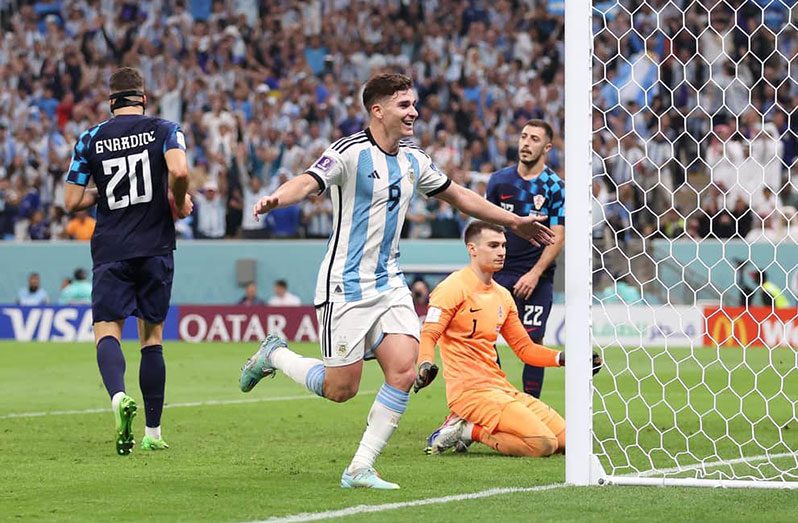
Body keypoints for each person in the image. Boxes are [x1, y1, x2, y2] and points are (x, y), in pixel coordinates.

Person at [238, 73, 554, 489]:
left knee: (403, 372)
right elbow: (307, 180)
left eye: (414, 104)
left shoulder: (414, 160)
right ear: (378, 110)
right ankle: (274, 355)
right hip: (345, 287)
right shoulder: (348, 153)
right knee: (340, 389)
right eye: (404, 105)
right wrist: (278, 197)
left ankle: (360, 467)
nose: (414, 112)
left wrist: (514, 221)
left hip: (390, 283)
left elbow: (459, 195)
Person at [63, 67, 192, 456]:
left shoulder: (90, 138)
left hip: (111, 249)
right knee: (152, 338)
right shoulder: (165, 129)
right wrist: (180, 198)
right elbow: (180, 170)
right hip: (155, 247)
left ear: (110, 101)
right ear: (143, 99)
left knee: (107, 330)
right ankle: (153, 432)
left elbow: (71, 203)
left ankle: (118, 396)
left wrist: (103, 192)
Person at [415, 221, 601, 456]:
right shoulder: (453, 287)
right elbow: (430, 333)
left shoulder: (502, 295)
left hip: (500, 388)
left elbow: (525, 349)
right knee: (544, 444)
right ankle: (469, 431)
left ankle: (471, 426)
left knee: (572, 441)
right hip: (469, 393)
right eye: (493, 245)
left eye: (503, 245)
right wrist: (424, 363)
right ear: (472, 249)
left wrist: (567, 358)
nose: (501, 251)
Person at [485, 119, 565, 399]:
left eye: (534, 139)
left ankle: (532, 407)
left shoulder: (555, 187)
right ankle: (495, 398)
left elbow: (558, 235)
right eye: (523, 137)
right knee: (484, 339)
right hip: (500, 275)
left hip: (537, 278)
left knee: (533, 340)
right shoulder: (499, 182)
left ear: (547, 147)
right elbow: (488, 229)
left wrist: (534, 273)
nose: (526, 143)